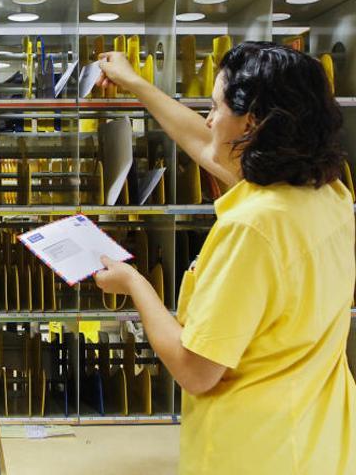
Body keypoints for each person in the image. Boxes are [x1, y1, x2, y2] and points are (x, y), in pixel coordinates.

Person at [93, 41, 356, 474]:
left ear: (252, 123)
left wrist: (133, 284)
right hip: (319, 442)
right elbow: (203, 142)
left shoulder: (253, 229)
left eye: (215, 107)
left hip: (255, 452)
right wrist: (136, 84)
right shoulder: (328, 195)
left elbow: (196, 370)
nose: (209, 119)